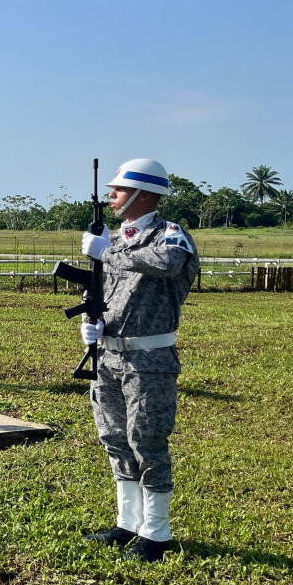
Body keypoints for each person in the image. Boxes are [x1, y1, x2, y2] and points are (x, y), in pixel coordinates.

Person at [78, 158, 200, 562]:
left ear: (143, 193)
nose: (111, 196)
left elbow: (169, 263)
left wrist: (108, 252)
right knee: (114, 439)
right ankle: (127, 523)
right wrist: (91, 321)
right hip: (109, 358)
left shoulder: (170, 236)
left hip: (150, 359)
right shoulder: (117, 239)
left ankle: (156, 535)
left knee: (147, 441)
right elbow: (101, 289)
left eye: (118, 189)